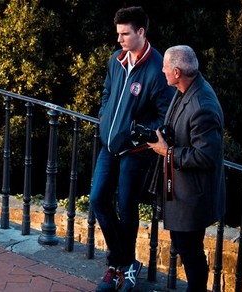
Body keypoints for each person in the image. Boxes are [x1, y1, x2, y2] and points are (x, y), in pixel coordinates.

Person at [89, 6, 174, 292]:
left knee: (126, 207)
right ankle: (124, 263)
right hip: (109, 145)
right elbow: (107, 93)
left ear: (141, 32)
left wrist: (139, 133)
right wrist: (104, 117)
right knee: (98, 200)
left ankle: (119, 267)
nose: (120, 39)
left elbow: (166, 115)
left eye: (125, 33)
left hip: (136, 152)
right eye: (118, 34)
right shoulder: (116, 60)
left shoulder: (157, 69)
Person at [147, 45, 226, 291]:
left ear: (178, 71)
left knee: (191, 253)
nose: (162, 71)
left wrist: (166, 152)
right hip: (181, 192)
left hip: (193, 196)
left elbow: (205, 156)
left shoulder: (202, 105)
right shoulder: (185, 89)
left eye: (166, 68)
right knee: (185, 247)